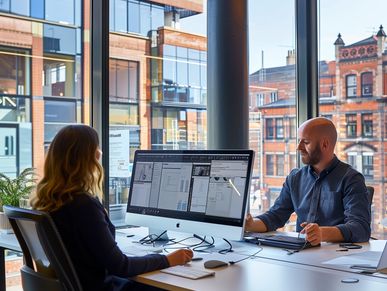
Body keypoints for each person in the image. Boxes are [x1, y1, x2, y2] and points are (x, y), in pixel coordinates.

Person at [30, 124, 193, 291]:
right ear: (88, 157)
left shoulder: (49, 201)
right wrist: (167, 259)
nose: (100, 153)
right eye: (97, 147)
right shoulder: (83, 205)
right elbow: (121, 266)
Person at [245, 117, 371, 245]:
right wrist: (250, 224)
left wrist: (321, 233)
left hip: (336, 257)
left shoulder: (351, 179)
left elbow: (360, 228)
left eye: (305, 142)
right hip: (301, 254)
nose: (299, 147)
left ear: (325, 144)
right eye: (299, 141)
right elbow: (275, 216)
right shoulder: (295, 177)